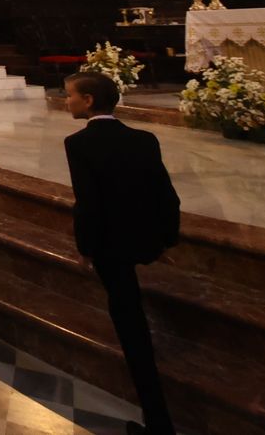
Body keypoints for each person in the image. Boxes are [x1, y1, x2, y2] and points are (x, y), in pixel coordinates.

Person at [63, 70, 179, 435]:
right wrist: (167, 237)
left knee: (131, 325)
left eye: (70, 96)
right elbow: (166, 194)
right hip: (144, 239)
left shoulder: (78, 143)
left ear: (89, 101)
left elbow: (88, 204)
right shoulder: (145, 138)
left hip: (110, 246)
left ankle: (157, 422)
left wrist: (85, 248)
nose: (67, 101)